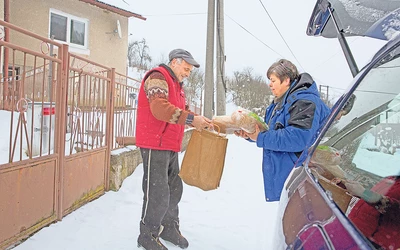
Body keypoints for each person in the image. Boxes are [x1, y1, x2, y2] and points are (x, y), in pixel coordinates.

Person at [135, 48, 212, 250]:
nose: (187, 73)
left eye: (189, 70)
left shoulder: (177, 85)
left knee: (174, 189)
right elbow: (159, 108)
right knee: (157, 192)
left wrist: (197, 120)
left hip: (169, 145)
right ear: (175, 62)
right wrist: (191, 119)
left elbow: (178, 111)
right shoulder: (158, 77)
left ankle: (169, 227)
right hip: (154, 144)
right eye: (186, 68)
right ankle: (147, 234)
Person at [235, 59, 331, 202]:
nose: (270, 84)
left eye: (273, 80)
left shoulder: (304, 102)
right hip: (290, 175)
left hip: (301, 178)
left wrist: (260, 138)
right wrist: (250, 134)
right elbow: (270, 131)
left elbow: (297, 138)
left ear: (286, 80)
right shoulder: (280, 102)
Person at [345, 176, 400, 249]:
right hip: (354, 231)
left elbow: (394, 209)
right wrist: (353, 189)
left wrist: (364, 193)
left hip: (374, 243)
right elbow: (373, 200)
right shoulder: (392, 178)